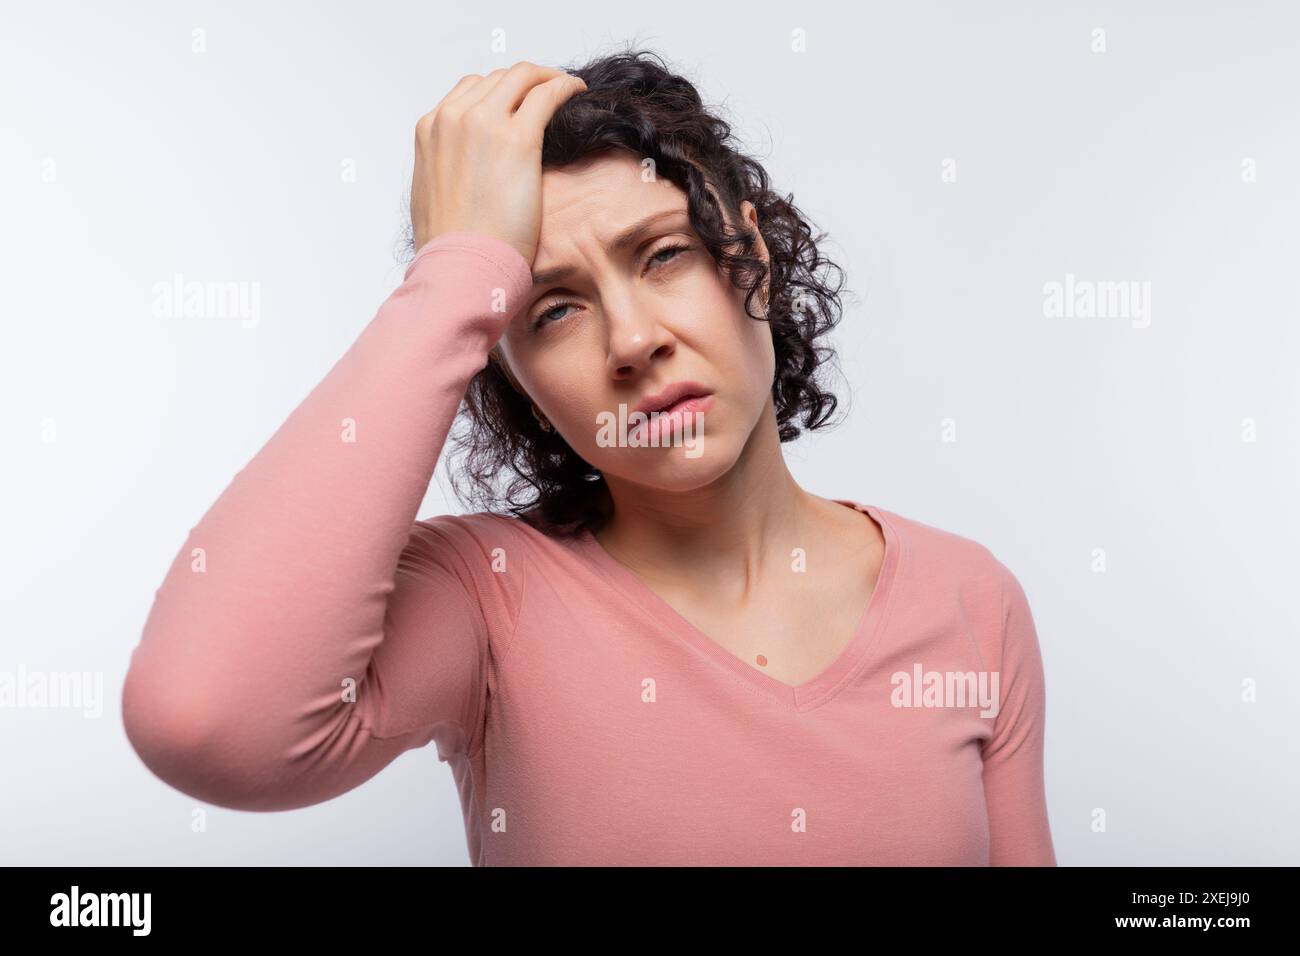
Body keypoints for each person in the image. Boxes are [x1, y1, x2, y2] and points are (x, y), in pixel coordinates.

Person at [122, 49, 1056, 866]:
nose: (633, 341)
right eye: (553, 309)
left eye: (661, 256)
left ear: (754, 255)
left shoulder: (968, 599)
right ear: (510, 369)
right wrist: (456, 275)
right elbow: (203, 719)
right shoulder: (486, 596)